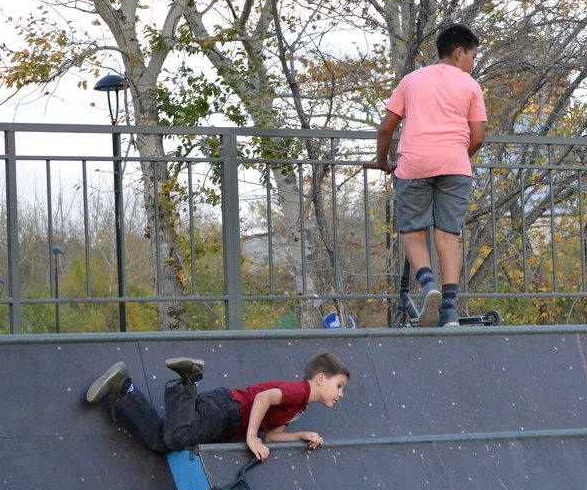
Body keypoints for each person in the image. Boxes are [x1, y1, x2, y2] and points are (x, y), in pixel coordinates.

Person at [364, 23, 488, 327]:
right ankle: (449, 311)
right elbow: (479, 136)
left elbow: (386, 128)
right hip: (455, 166)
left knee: (412, 231)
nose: (472, 65)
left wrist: (382, 161)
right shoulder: (470, 85)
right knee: (447, 235)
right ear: (459, 53)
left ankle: (428, 285)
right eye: (473, 57)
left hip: (414, 164)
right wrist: (457, 157)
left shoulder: (412, 80)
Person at [84, 352, 350, 460]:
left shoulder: (300, 405)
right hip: (228, 410)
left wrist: (302, 435)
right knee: (176, 437)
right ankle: (187, 383)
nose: (340, 394)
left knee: (159, 441)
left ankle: (123, 388)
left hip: (224, 415)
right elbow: (263, 398)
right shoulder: (297, 391)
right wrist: (251, 439)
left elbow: (271, 436)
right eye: (339, 385)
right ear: (320, 378)